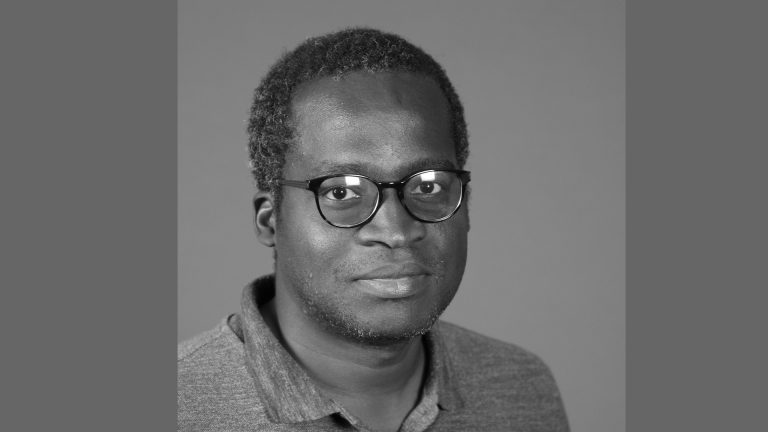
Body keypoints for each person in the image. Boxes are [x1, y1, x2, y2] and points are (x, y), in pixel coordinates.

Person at [178, 27, 570, 432]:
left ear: (466, 204)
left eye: (428, 186)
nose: (396, 231)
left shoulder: (521, 388)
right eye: (342, 192)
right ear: (269, 219)